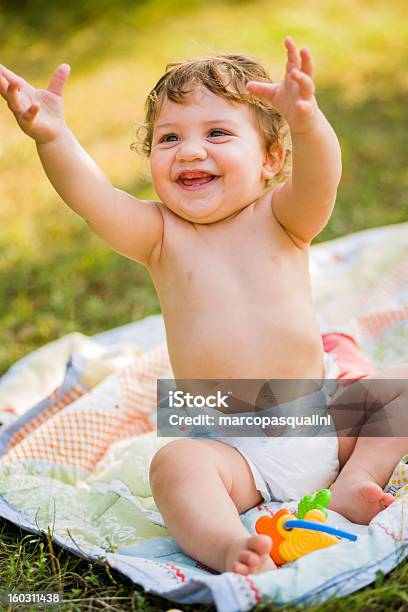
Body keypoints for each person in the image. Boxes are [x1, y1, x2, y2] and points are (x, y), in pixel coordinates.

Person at [1, 36, 406, 576]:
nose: (190, 151)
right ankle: (226, 545)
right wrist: (52, 137)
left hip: (318, 415)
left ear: (271, 158)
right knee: (173, 465)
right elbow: (93, 198)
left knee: (399, 384)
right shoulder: (161, 236)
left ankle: (356, 479)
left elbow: (321, 176)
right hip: (230, 446)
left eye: (217, 133)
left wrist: (306, 122)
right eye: (169, 138)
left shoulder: (283, 219)